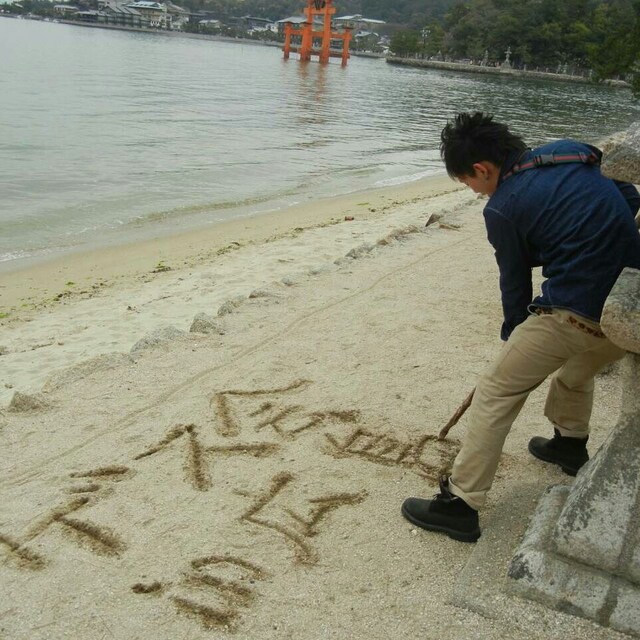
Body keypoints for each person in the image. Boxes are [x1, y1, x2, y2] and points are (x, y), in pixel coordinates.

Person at [401, 112, 640, 543]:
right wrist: (600, 240)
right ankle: (569, 444)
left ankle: (460, 505)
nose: (473, 191)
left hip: (577, 312)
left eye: (467, 182)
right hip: (631, 305)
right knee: (576, 370)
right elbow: (627, 194)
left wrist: (514, 333)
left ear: (482, 169)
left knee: (496, 389)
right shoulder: (569, 152)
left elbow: (515, 283)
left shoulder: (502, 208)